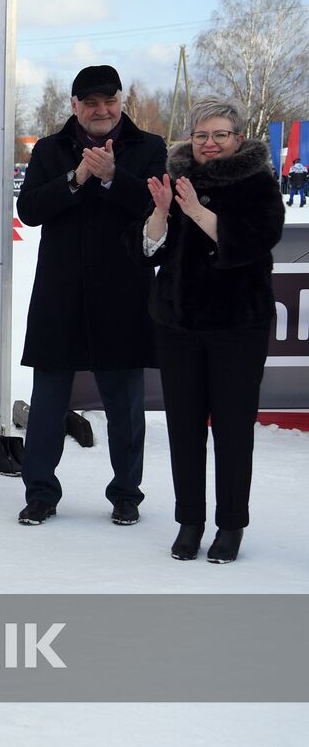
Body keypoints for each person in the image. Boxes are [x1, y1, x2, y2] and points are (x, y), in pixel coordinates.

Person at [15, 65, 165, 527]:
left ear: (121, 102)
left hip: (123, 293)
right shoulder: (50, 148)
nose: (102, 110)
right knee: (47, 405)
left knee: (124, 406)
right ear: (75, 106)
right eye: (91, 102)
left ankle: (126, 494)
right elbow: (29, 209)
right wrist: (76, 178)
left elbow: (154, 206)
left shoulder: (149, 147)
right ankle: (40, 492)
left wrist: (112, 177)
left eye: (110, 101)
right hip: (60, 293)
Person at [136, 99, 284, 563]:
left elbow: (255, 241)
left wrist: (196, 211)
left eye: (220, 134)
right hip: (177, 325)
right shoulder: (175, 179)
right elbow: (145, 249)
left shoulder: (258, 184)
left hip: (238, 327)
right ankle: (190, 521)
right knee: (183, 429)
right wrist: (161, 212)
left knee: (234, 430)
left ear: (238, 139)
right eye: (201, 135)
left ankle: (230, 525)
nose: (210, 143)